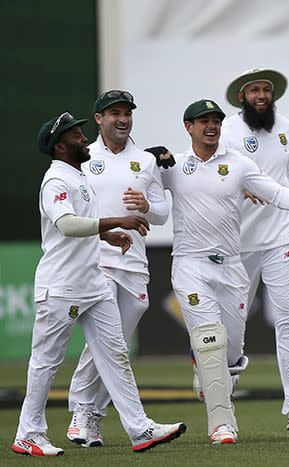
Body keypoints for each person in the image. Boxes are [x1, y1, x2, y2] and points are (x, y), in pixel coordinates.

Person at [12, 112, 185, 457]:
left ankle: (139, 429)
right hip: (62, 285)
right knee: (46, 360)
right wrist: (118, 220)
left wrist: (107, 235)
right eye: (76, 135)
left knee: (115, 352)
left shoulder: (77, 176)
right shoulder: (56, 181)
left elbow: (83, 224)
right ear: (60, 146)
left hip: (92, 283)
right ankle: (28, 433)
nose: (82, 138)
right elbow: (68, 225)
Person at [160, 99, 289, 445]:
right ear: (189, 127)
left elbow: (277, 193)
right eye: (203, 122)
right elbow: (149, 195)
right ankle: (222, 423)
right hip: (189, 264)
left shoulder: (240, 165)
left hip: (231, 265)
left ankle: (205, 365)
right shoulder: (174, 166)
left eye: (215, 120)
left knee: (230, 351)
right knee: (210, 337)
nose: (211, 126)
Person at [66, 90, 170, 447]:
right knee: (109, 343)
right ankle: (83, 413)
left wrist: (147, 205)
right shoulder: (84, 157)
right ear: (99, 119)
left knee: (114, 343)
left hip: (135, 262)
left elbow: (161, 212)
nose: (122, 119)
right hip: (97, 260)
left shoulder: (145, 160)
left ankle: (90, 417)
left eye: (127, 113)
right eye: (114, 113)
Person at [220, 68, 289, 430]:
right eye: (255, 90)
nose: (262, 95)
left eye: (267, 90)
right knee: (233, 325)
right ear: (242, 97)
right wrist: (235, 185)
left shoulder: (286, 127)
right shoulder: (228, 129)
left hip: (281, 238)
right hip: (238, 242)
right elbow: (218, 170)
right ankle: (221, 391)